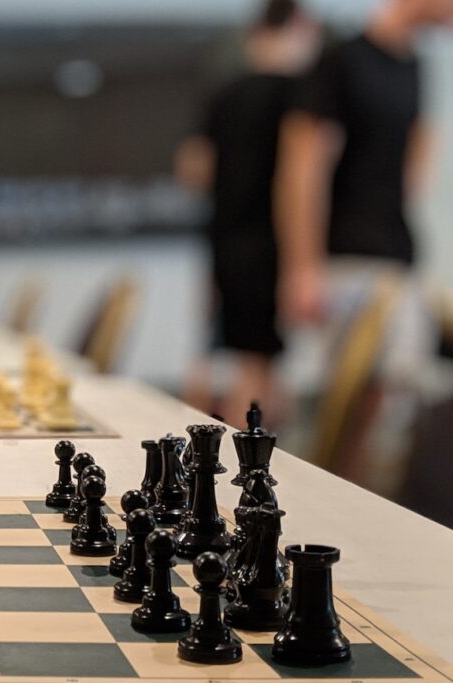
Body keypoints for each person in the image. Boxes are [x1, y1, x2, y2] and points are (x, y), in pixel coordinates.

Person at [275, 0, 453, 479]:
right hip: (345, 264)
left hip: (397, 260)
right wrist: (302, 267)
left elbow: (414, 166)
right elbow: (302, 167)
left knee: (389, 418)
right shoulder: (341, 61)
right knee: (342, 425)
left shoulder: (415, 64)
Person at [176, 0, 320, 428]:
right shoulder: (303, 94)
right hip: (272, 246)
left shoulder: (224, 92)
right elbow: (303, 181)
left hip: (225, 242)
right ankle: (247, 475)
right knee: (260, 372)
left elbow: (193, 169)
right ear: (302, 27)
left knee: (229, 358)